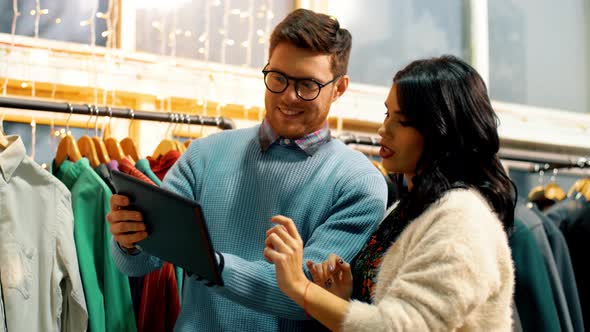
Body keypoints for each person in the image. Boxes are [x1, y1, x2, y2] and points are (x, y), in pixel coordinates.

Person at [106, 8, 388, 331]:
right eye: (278, 79)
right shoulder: (204, 155)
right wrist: (129, 239)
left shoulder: (360, 183)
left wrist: (210, 264)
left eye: (307, 85)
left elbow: (308, 294)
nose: (289, 96)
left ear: (339, 88)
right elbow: (142, 261)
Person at [264, 55, 517, 331]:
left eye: (403, 121)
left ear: (440, 130)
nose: (384, 129)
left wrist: (299, 286)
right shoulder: (410, 207)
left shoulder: (462, 220)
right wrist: (347, 298)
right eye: (387, 114)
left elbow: (400, 327)